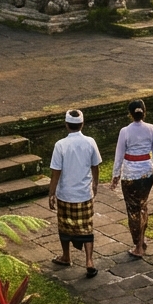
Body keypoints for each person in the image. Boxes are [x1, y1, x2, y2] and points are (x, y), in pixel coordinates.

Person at [48, 109, 102, 277]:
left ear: (66, 124)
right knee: (86, 227)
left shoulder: (60, 145)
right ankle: (89, 261)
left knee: (64, 226)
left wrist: (51, 193)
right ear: (82, 124)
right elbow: (96, 166)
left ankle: (66, 256)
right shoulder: (90, 142)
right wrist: (95, 184)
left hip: (66, 194)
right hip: (84, 193)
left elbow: (55, 172)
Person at [110, 99, 153, 258]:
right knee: (143, 206)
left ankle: (138, 246)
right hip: (147, 173)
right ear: (144, 112)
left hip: (131, 174)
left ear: (130, 114)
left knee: (133, 210)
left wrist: (115, 175)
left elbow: (119, 156)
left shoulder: (125, 131)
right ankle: (142, 240)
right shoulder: (151, 129)